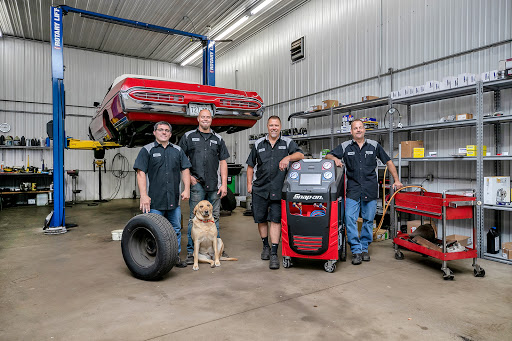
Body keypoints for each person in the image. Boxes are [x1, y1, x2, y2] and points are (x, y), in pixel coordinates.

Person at [326, 119, 403, 265]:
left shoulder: (374, 146)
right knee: (350, 218)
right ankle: (355, 249)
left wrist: (397, 180)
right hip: (353, 189)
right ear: (351, 131)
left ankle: (364, 248)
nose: (358, 130)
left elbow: (389, 162)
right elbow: (328, 155)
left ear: (364, 130)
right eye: (355, 128)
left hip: (370, 188)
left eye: (360, 127)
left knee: (368, 220)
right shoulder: (345, 146)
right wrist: (335, 159)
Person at [246, 116, 304, 270]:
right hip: (260, 188)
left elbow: (300, 155)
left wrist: (288, 157)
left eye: (276, 125)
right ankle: (265, 245)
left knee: (276, 220)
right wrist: (249, 185)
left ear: (280, 127)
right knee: (261, 219)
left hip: (279, 189)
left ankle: (273, 252)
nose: (274, 128)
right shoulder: (258, 144)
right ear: (267, 126)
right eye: (271, 125)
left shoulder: (287, 143)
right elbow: (250, 166)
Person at [133, 121, 191, 268]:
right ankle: (157, 259)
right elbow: (141, 173)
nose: (164, 132)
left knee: (175, 229)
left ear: (170, 134)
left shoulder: (177, 150)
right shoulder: (147, 150)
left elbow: (185, 169)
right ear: (154, 132)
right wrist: (144, 195)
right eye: (161, 130)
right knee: (155, 231)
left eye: (167, 130)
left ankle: (174, 257)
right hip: (155, 201)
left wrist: (187, 189)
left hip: (173, 199)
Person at [179, 109, 230, 265]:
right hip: (197, 184)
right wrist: (189, 179)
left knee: (214, 218)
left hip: (214, 185)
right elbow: (182, 161)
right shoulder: (188, 137)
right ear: (198, 119)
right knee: (194, 219)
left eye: (208, 117)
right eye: (203, 117)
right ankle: (191, 252)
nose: (206, 119)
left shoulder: (218, 139)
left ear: (211, 120)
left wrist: (224, 184)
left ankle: (216, 250)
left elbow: (223, 162)